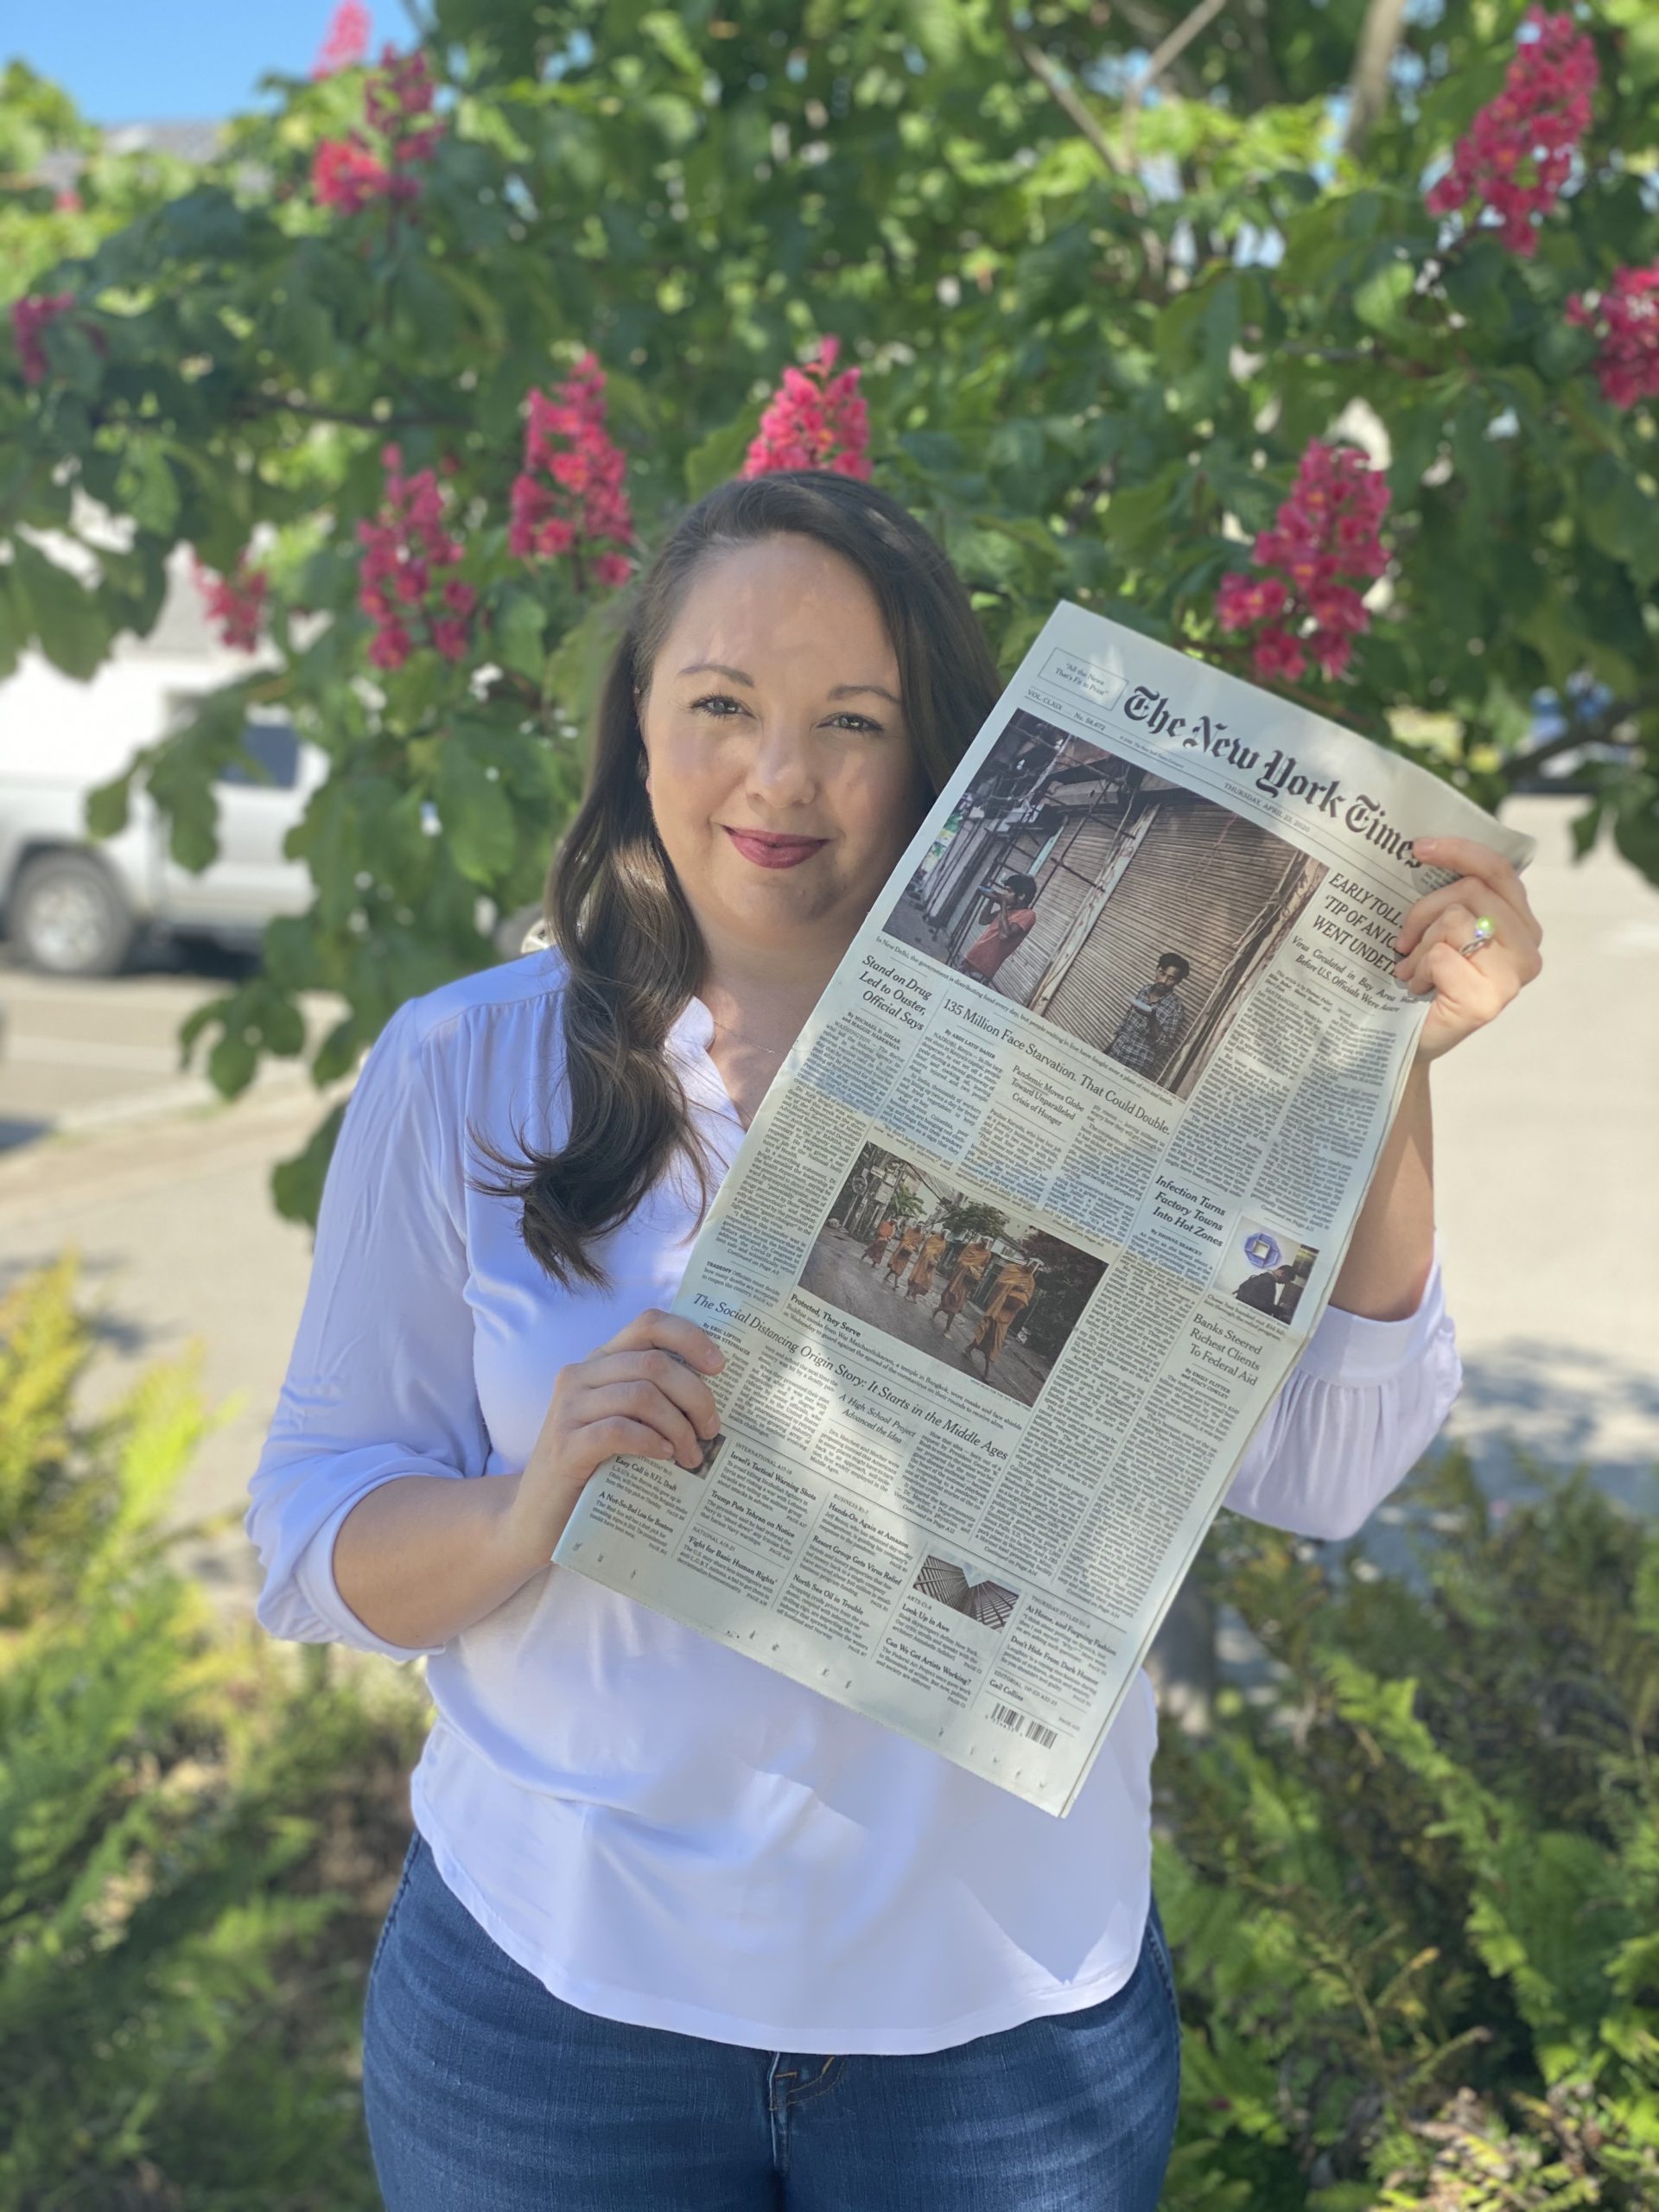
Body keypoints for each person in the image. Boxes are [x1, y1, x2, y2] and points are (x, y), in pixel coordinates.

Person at [244, 468, 1542, 2212]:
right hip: (555, 2014)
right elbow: (308, 1536)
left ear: (942, 750)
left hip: (1003, 2035)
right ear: (638, 719)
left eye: (851, 722)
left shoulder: (1137, 1090)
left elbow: (1328, 1469)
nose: (780, 779)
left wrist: (1376, 1071)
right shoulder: (462, 1063)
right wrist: (517, 1505)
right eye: (721, 705)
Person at [1108, 952, 1190, 1082]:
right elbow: (1127, 1021)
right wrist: (1109, 1048)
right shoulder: (1145, 990)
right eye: (1162, 973)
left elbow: (1164, 1046)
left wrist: (1152, 1019)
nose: (1163, 981)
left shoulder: (1175, 1008)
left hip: (1136, 1065)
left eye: (1171, 978)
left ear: (1178, 982)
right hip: (1116, 1052)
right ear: (1157, 969)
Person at [963, 1255, 1042, 1383]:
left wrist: (1023, 1293)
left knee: (995, 1340)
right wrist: (1014, 1286)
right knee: (988, 1334)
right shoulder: (1012, 1268)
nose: (1032, 1269)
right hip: (998, 1307)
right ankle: (986, 1373)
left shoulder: (1031, 1281)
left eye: (1035, 1268)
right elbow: (999, 1282)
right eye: (1032, 1265)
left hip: (1008, 1314)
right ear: (1028, 1262)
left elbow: (1028, 1297)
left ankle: (969, 1350)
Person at [960, 872, 1039, 988]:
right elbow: (983, 920)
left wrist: (1002, 904)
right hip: (971, 958)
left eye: (1008, 891)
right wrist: (992, 900)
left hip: (983, 968)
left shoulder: (1028, 915)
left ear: (1021, 896)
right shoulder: (1008, 910)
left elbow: (1004, 935)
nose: (1004, 894)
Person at [933, 1236, 993, 1333]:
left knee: (956, 1305)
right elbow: (960, 1260)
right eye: (983, 1242)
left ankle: (944, 1324)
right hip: (958, 1279)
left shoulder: (987, 1254)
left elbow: (983, 1266)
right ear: (980, 1241)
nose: (984, 1245)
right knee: (951, 1302)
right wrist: (969, 1267)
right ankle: (942, 1320)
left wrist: (977, 1270)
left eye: (987, 1244)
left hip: (968, 1283)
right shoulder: (970, 1246)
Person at [904, 1228, 949, 1301]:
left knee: (926, 1281)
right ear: (942, 1233)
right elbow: (926, 1248)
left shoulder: (944, 1243)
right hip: (923, 1262)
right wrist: (932, 1255)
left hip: (931, 1265)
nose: (944, 1237)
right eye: (944, 1234)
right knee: (916, 1277)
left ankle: (914, 1294)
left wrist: (937, 1259)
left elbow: (940, 1253)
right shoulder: (932, 1238)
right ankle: (908, 1293)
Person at [883, 1218, 923, 1288]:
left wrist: (915, 1248)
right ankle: (896, 1284)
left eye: (921, 1227)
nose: (920, 1228)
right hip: (901, 1251)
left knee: (897, 1269)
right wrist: (908, 1244)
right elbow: (905, 1238)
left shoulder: (920, 1235)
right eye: (919, 1226)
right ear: (917, 1226)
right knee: (896, 1268)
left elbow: (917, 1244)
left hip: (907, 1254)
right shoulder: (910, 1230)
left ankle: (887, 1276)